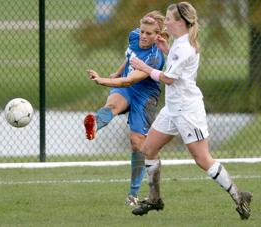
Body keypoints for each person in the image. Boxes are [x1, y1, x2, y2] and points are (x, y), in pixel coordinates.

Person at [130, 2, 252, 220]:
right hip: (173, 108)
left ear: (180, 22)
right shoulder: (179, 43)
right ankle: (155, 198)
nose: (165, 22)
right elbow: (176, 69)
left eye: (168, 19)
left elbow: (168, 78)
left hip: (187, 111)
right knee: (148, 148)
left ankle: (239, 196)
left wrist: (145, 67)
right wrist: (165, 49)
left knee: (203, 159)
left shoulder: (185, 46)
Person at [84, 11, 168, 206]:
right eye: (143, 32)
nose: (144, 37)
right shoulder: (134, 36)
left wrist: (104, 80)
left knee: (138, 143)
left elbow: (130, 80)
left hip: (145, 96)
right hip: (126, 87)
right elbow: (129, 56)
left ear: (158, 36)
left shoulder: (155, 57)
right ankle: (95, 124)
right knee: (112, 105)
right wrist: (117, 72)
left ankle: (133, 194)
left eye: (149, 34)